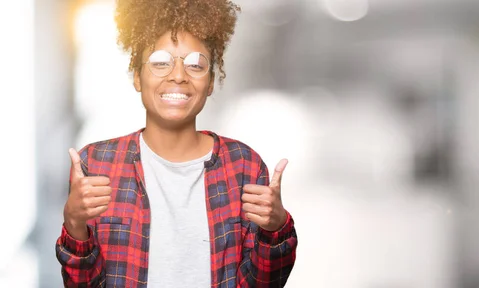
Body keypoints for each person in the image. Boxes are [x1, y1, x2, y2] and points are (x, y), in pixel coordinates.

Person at [55, 0, 298, 287]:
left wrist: (277, 228)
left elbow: (262, 284)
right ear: (136, 76)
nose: (179, 76)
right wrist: (74, 225)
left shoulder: (244, 165)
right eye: (160, 62)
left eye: (195, 64)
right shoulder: (96, 164)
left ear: (210, 82)